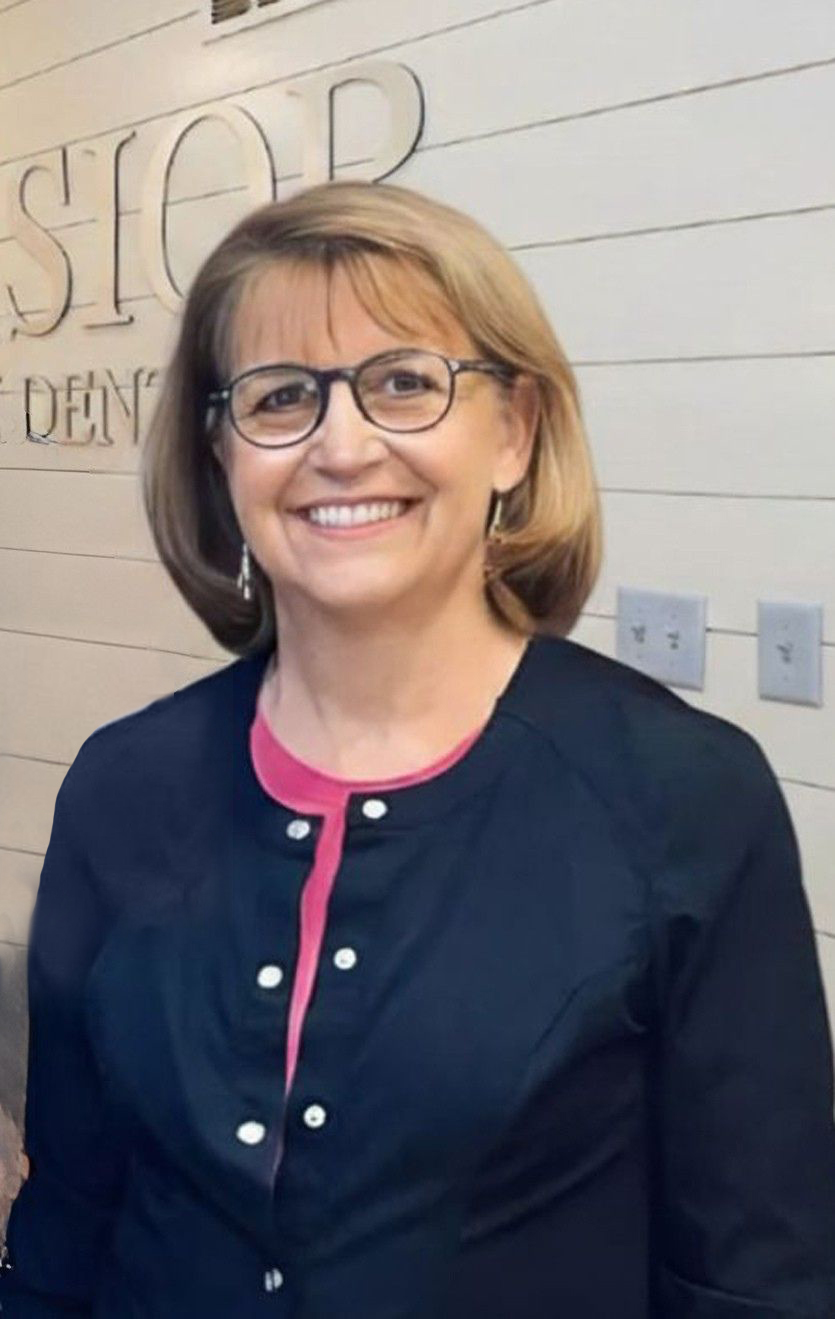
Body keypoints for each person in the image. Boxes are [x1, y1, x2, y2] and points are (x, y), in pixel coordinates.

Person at [1, 178, 834, 1318]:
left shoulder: (683, 795)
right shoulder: (120, 782)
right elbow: (68, 1219)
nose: (341, 446)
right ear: (220, 456)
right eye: (281, 396)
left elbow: (757, 1279)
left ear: (514, 431)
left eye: (404, 382)